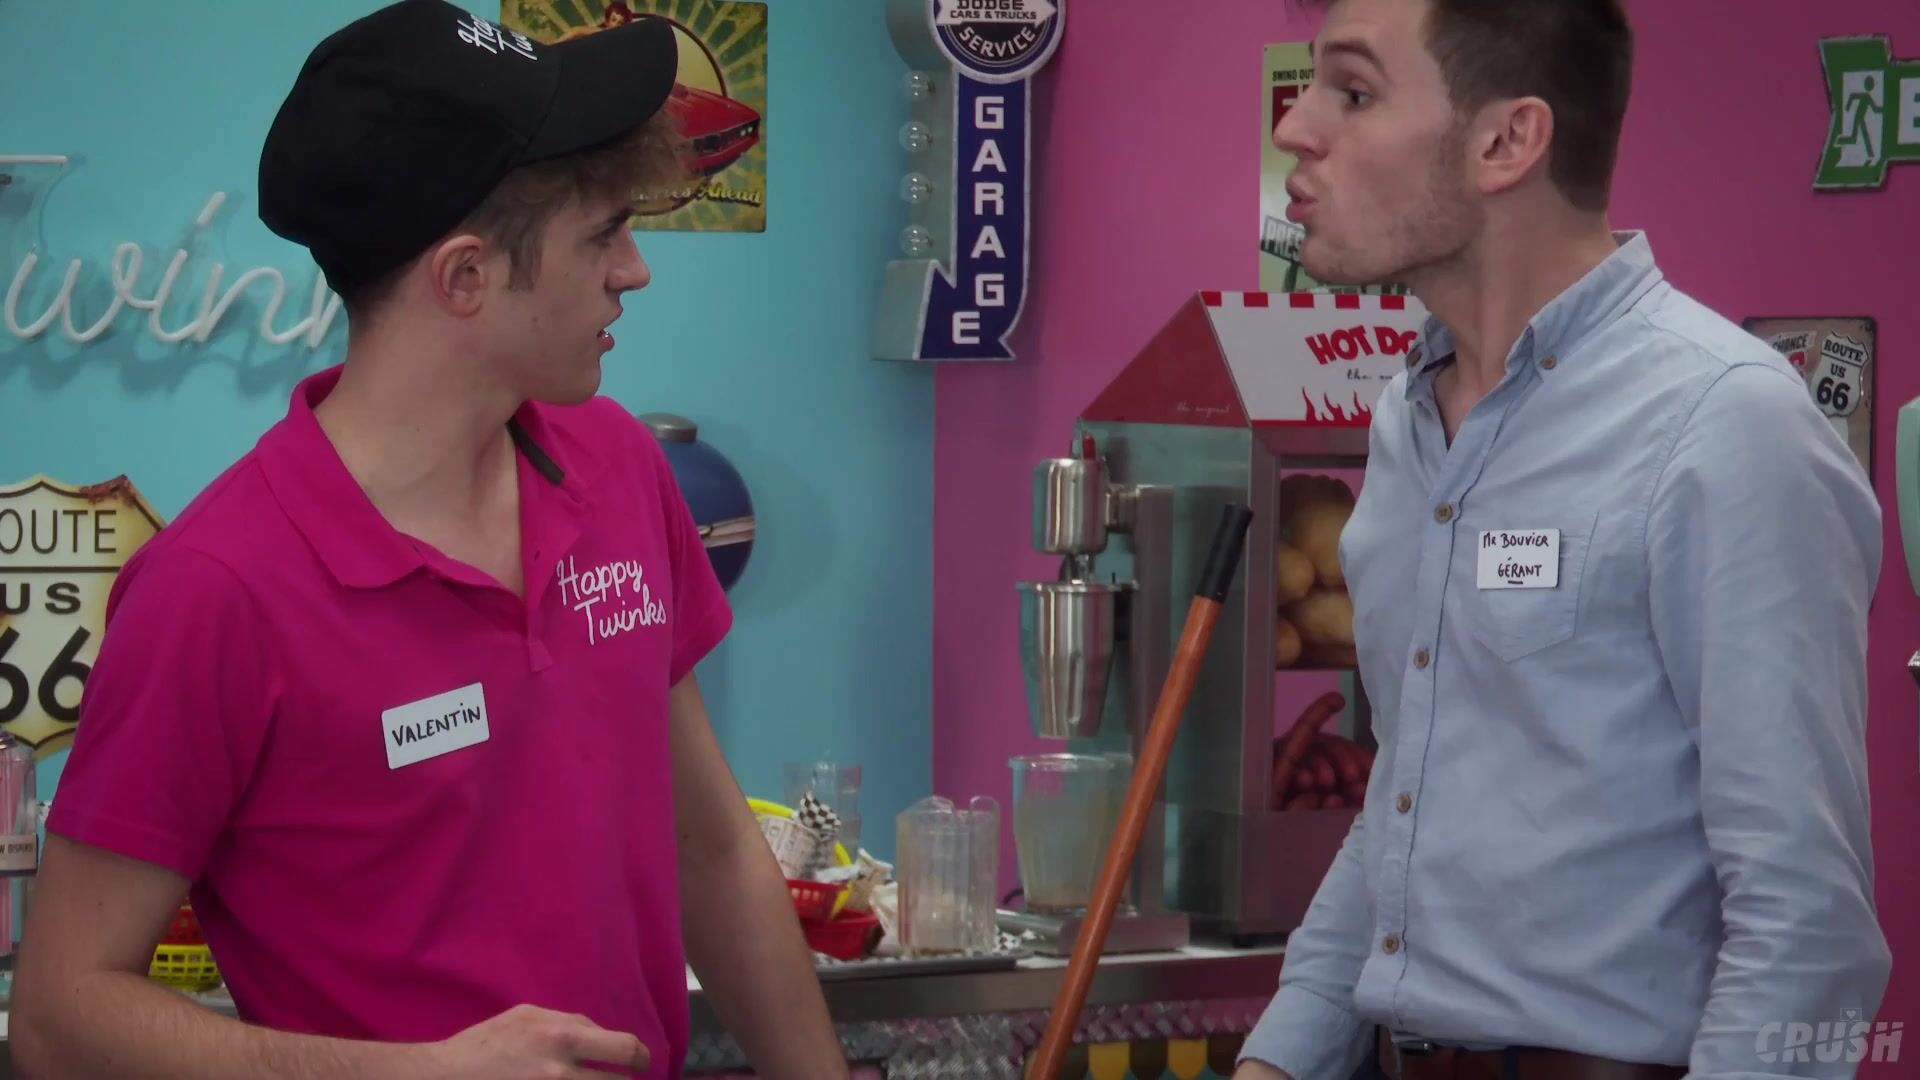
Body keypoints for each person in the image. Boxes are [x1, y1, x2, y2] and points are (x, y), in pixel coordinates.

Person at [10, 2, 846, 1077]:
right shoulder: (214, 591)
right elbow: (60, 1017)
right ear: (464, 278)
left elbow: (712, 848)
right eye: (602, 234)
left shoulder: (620, 469)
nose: (634, 270)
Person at [1235, 1, 1889, 1078]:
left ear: (1507, 140)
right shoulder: (1406, 422)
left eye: (1352, 92)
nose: (1296, 129)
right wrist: (1275, 1061)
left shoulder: (1723, 424)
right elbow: (1404, 805)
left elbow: (1803, 918)